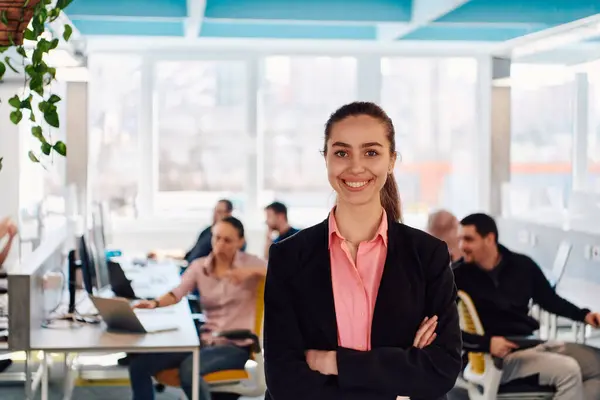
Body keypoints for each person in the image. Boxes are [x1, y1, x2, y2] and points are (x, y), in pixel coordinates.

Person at [263, 101, 462, 400]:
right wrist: (398, 366)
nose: (356, 166)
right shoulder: (289, 257)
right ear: (326, 159)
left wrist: (332, 362)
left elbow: (441, 369)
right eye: (341, 153)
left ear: (392, 160)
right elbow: (283, 378)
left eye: (371, 152)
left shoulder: (428, 255)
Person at [454, 213, 600, 400]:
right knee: (569, 371)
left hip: (531, 344)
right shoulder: (456, 276)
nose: (461, 247)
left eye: (468, 239)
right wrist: (487, 343)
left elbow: (550, 300)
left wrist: (585, 315)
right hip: (497, 356)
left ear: (489, 239)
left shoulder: (522, 265)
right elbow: (445, 329)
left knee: (596, 363)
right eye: (460, 240)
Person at [128, 217, 266, 400]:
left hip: (235, 346)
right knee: (140, 364)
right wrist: (154, 303)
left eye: (227, 240)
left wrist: (252, 272)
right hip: (204, 341)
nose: (220, 244)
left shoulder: (251, 263)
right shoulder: (200, 266)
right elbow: (177, 292)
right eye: (217, 238)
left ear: (240, 241)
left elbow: (287, 274)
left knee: (188, 370)